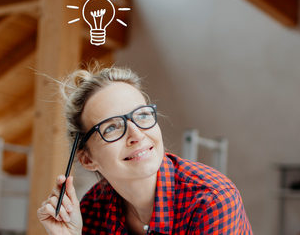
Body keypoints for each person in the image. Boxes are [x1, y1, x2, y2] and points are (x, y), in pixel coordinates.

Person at [37, 67, 253, 234]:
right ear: (87, 159)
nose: (137, 134)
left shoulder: (211, 200)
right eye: (111, 127)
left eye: (142, 115)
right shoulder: (93, 210)